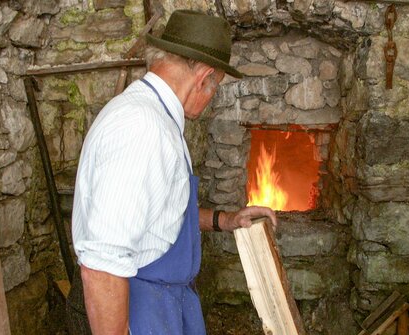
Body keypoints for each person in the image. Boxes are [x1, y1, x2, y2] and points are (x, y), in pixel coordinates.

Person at [71, 9, 277, 335]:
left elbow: (159, 215)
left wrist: (226, 219)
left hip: (165, 301)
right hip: (139, 308)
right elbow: (102, 263)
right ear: (203, 78)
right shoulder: (141, 127)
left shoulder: (159, 118)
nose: (211, 98)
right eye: (215, 87)